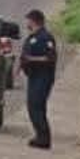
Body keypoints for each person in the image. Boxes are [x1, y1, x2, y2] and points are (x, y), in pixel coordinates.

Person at [20, 9, 58, 150]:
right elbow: (25, 55)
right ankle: (39, 135)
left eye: (28, 20)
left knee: (37, 106)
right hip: (33, 77)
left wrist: (31, 59)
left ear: (34, 21)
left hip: (43, 77)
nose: (27, 23)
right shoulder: (32, 37)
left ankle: (44, 138)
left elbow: (50, 58)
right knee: (32, 106)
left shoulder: (45, 37)